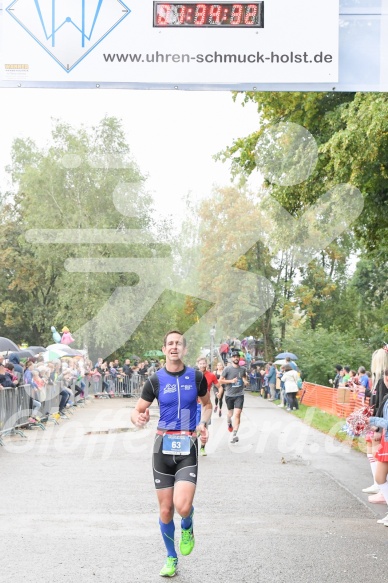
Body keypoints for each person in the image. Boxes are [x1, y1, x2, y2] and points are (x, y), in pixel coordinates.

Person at [131, 330, 211, 578]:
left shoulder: (196, 377)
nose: (174, 347)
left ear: (184, 349)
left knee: (182, 506)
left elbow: (207, 405)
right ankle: (171, 557)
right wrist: (139, 418)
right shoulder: (155, 381)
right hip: (162, 446)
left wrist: (203, 424)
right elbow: (137, 411)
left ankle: (188, 523)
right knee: (166, 510)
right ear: (164, 350)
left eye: (178, 343)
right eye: (170, 344)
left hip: (188, 444)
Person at [218, 349, 249, 444]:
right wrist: (231, 381)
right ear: (232, 358)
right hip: (229, 395)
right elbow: (220, 380)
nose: (236, 358)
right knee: (230, 415)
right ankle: (229, 422)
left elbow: (244, 377)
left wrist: (245, 381)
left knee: (237, 414)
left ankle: (234, 434)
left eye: (237, 357)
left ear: (239, 358)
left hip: (239, 394)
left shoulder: (243, 369)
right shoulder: (227, 369)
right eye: (234, 357)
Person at [196, 357, 221, 456]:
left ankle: (202, 448)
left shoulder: (211, 375)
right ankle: (192, 446)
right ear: (197, 364)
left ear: (207, 364)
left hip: (206, 405)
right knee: (195, 427)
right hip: (194, 404)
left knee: (204, 427)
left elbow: (219, 386)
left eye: (204, 363)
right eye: (200, 363)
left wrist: (219, 393)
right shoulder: (193, 375)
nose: (202, 365)